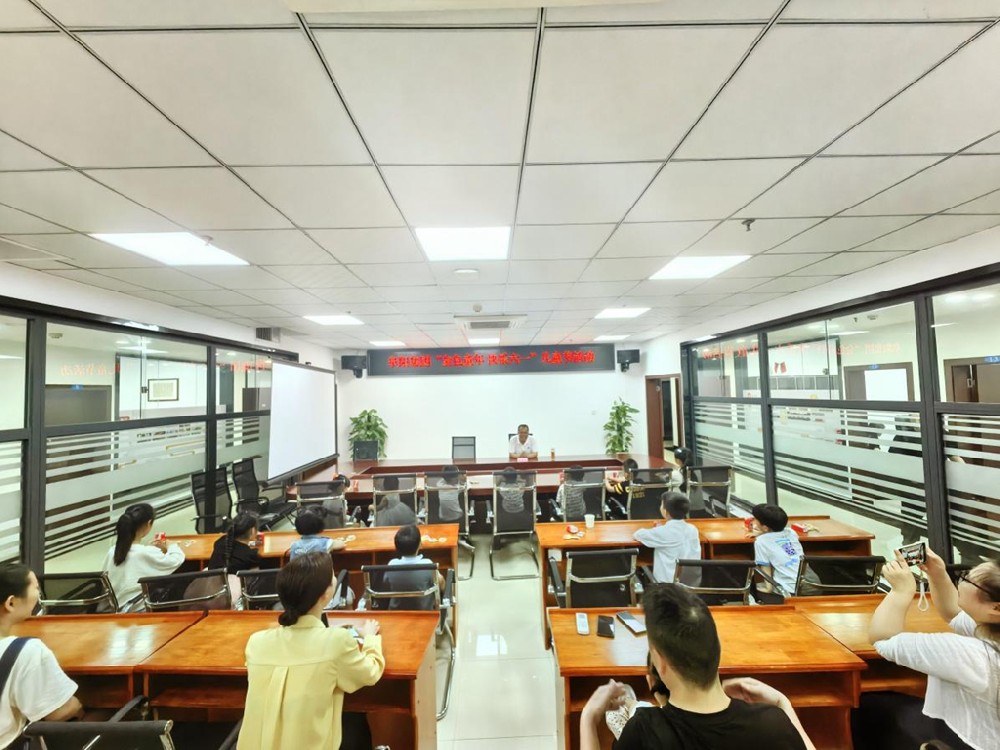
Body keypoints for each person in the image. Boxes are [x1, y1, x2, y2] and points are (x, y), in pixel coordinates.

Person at [580, 583, 814, 750]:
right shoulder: (772, 726)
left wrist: (588, 719)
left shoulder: (643, 730)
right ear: (716, 648)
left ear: (661, 663)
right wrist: (783, 704)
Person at [237, 552, 384, 750]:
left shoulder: (256, 642)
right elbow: (370, 673)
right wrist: (371, 639)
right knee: (355, 722)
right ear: (325, 595)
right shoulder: (337, 642)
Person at [858, 548, 1000, 750]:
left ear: (996, 608)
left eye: (967, 579)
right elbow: (954, 613)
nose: (962, 581)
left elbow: (883, 640)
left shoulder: (971, 654)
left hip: (967, 742)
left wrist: (900, 591)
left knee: (867, 705)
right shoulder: (992, 629)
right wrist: (937, 574)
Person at [0, 564, 83, 748]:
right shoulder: (26, 651)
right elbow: (58, 713)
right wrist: (77, 705)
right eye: (36, 588)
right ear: (11, 603)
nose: (39, 594)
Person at [102, 503, 185, 610]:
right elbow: (175, 560)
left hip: (116, 609)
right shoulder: (145, 552)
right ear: (149, 523)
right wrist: (171, 545)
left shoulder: (112, 551)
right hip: (139, 609)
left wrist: (149, 549)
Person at [632, 493, 701, 584]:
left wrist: (659, 529)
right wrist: (661, 529)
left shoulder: (663, 532)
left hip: (667, 587)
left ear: (665, 511)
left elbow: (638, 534)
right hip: (691, 585)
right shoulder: (693, 529)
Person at [747, 504, 806, 598]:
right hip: (812, 585)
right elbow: (778, 541)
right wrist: (763, 533)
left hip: (790, 591)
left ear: (765, 528)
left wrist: (768, 588)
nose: (753, 521)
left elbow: (766, 568)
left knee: (751, 590)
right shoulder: (791, 532)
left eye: (755, 519)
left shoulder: (761, 542)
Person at [384, 524, 444, 610]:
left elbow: (386, 584)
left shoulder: (391, 565)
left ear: (396, 547)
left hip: (397, 613)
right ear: (420, 544)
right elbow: (440, 582)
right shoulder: (428, 564)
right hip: (424, 613)